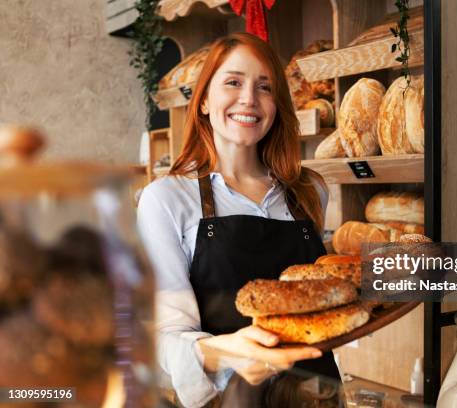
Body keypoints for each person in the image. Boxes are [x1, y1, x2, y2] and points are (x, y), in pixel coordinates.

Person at [137, 32, 339, 408]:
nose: (249, 98)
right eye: (233, 82)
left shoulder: (310, 190)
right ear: (204, 103)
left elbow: (319, 302)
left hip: (318, 395)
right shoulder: (166, 200)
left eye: (264, 87)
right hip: (229, 399)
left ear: (277, 106)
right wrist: (225, 351)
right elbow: (164, 338)